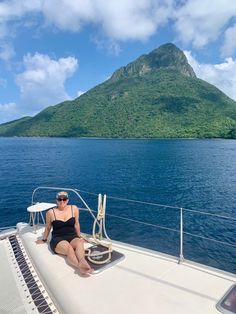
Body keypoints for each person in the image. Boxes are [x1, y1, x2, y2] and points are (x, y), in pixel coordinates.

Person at [36, 191, 93, 275]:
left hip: (72, 235)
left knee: (79, 243)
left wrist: (79, 236)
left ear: (68, 200)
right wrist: (44, 240)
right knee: (69, 248)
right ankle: (79, 266)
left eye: (64, 199)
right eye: (60, 199)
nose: (62, 201)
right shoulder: (50, 213)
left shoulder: (74, 208)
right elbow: (48, 227)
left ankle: (82, 261)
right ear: (56, 200)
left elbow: (77, 224)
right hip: (58, 238)